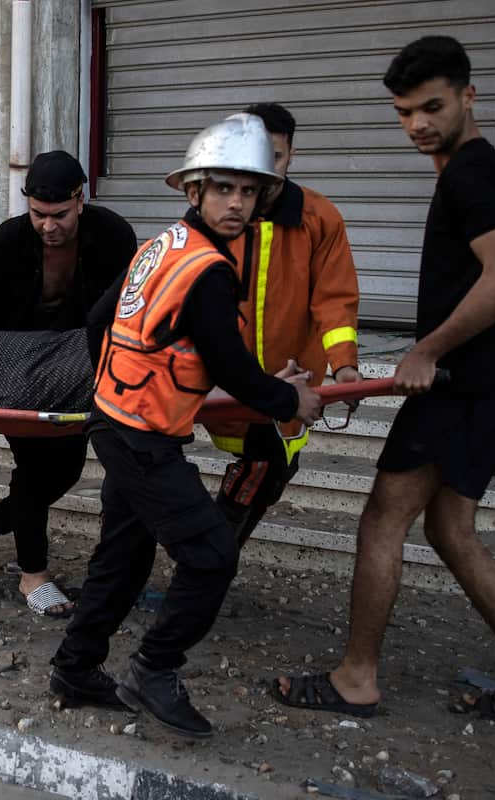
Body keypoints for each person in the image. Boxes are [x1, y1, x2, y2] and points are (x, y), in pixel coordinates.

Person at [272, 36, 495, 726]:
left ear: (469, 95)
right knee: (451, 531)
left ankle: (356, 679)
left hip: (460, 390)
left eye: (432, 106)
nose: (418, 125)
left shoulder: (470, 174)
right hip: (490, 387)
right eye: (405, 112)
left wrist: (427, 350)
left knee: (383, 521)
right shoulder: (488, 172)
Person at [49, 115, 324, 738]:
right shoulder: (208, 270)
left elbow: (99, 323)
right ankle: (153, 669)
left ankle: (74, 669)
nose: (237, 203)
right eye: (223, 189)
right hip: (141, 437)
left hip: (115, 422)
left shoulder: (162, 246)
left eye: (249, 191)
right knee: (211, 556)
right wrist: (291, 401)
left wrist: (117, 384)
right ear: (194, 191)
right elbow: (230, 366)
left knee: (124, 556)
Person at [0, 150, 137, 617]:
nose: (47, 226)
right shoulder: (6, 243)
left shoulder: (115, 235)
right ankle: (32, 573)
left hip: (85, 373)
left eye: (59, 215)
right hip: (18, 371)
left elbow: (128, 314)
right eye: (37, 214)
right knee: (36, 468)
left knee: (65, 471)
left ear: (81, 199)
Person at [206, 102, 361, 547]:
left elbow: (334, 300)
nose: (264, 169)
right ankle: (200, 569)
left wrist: (344, 365)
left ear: (291, 154)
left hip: (285, 380)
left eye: (275, 157)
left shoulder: (319, 218)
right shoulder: (218, 214)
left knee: (265, 473)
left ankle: (203, 568)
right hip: (214, 378)